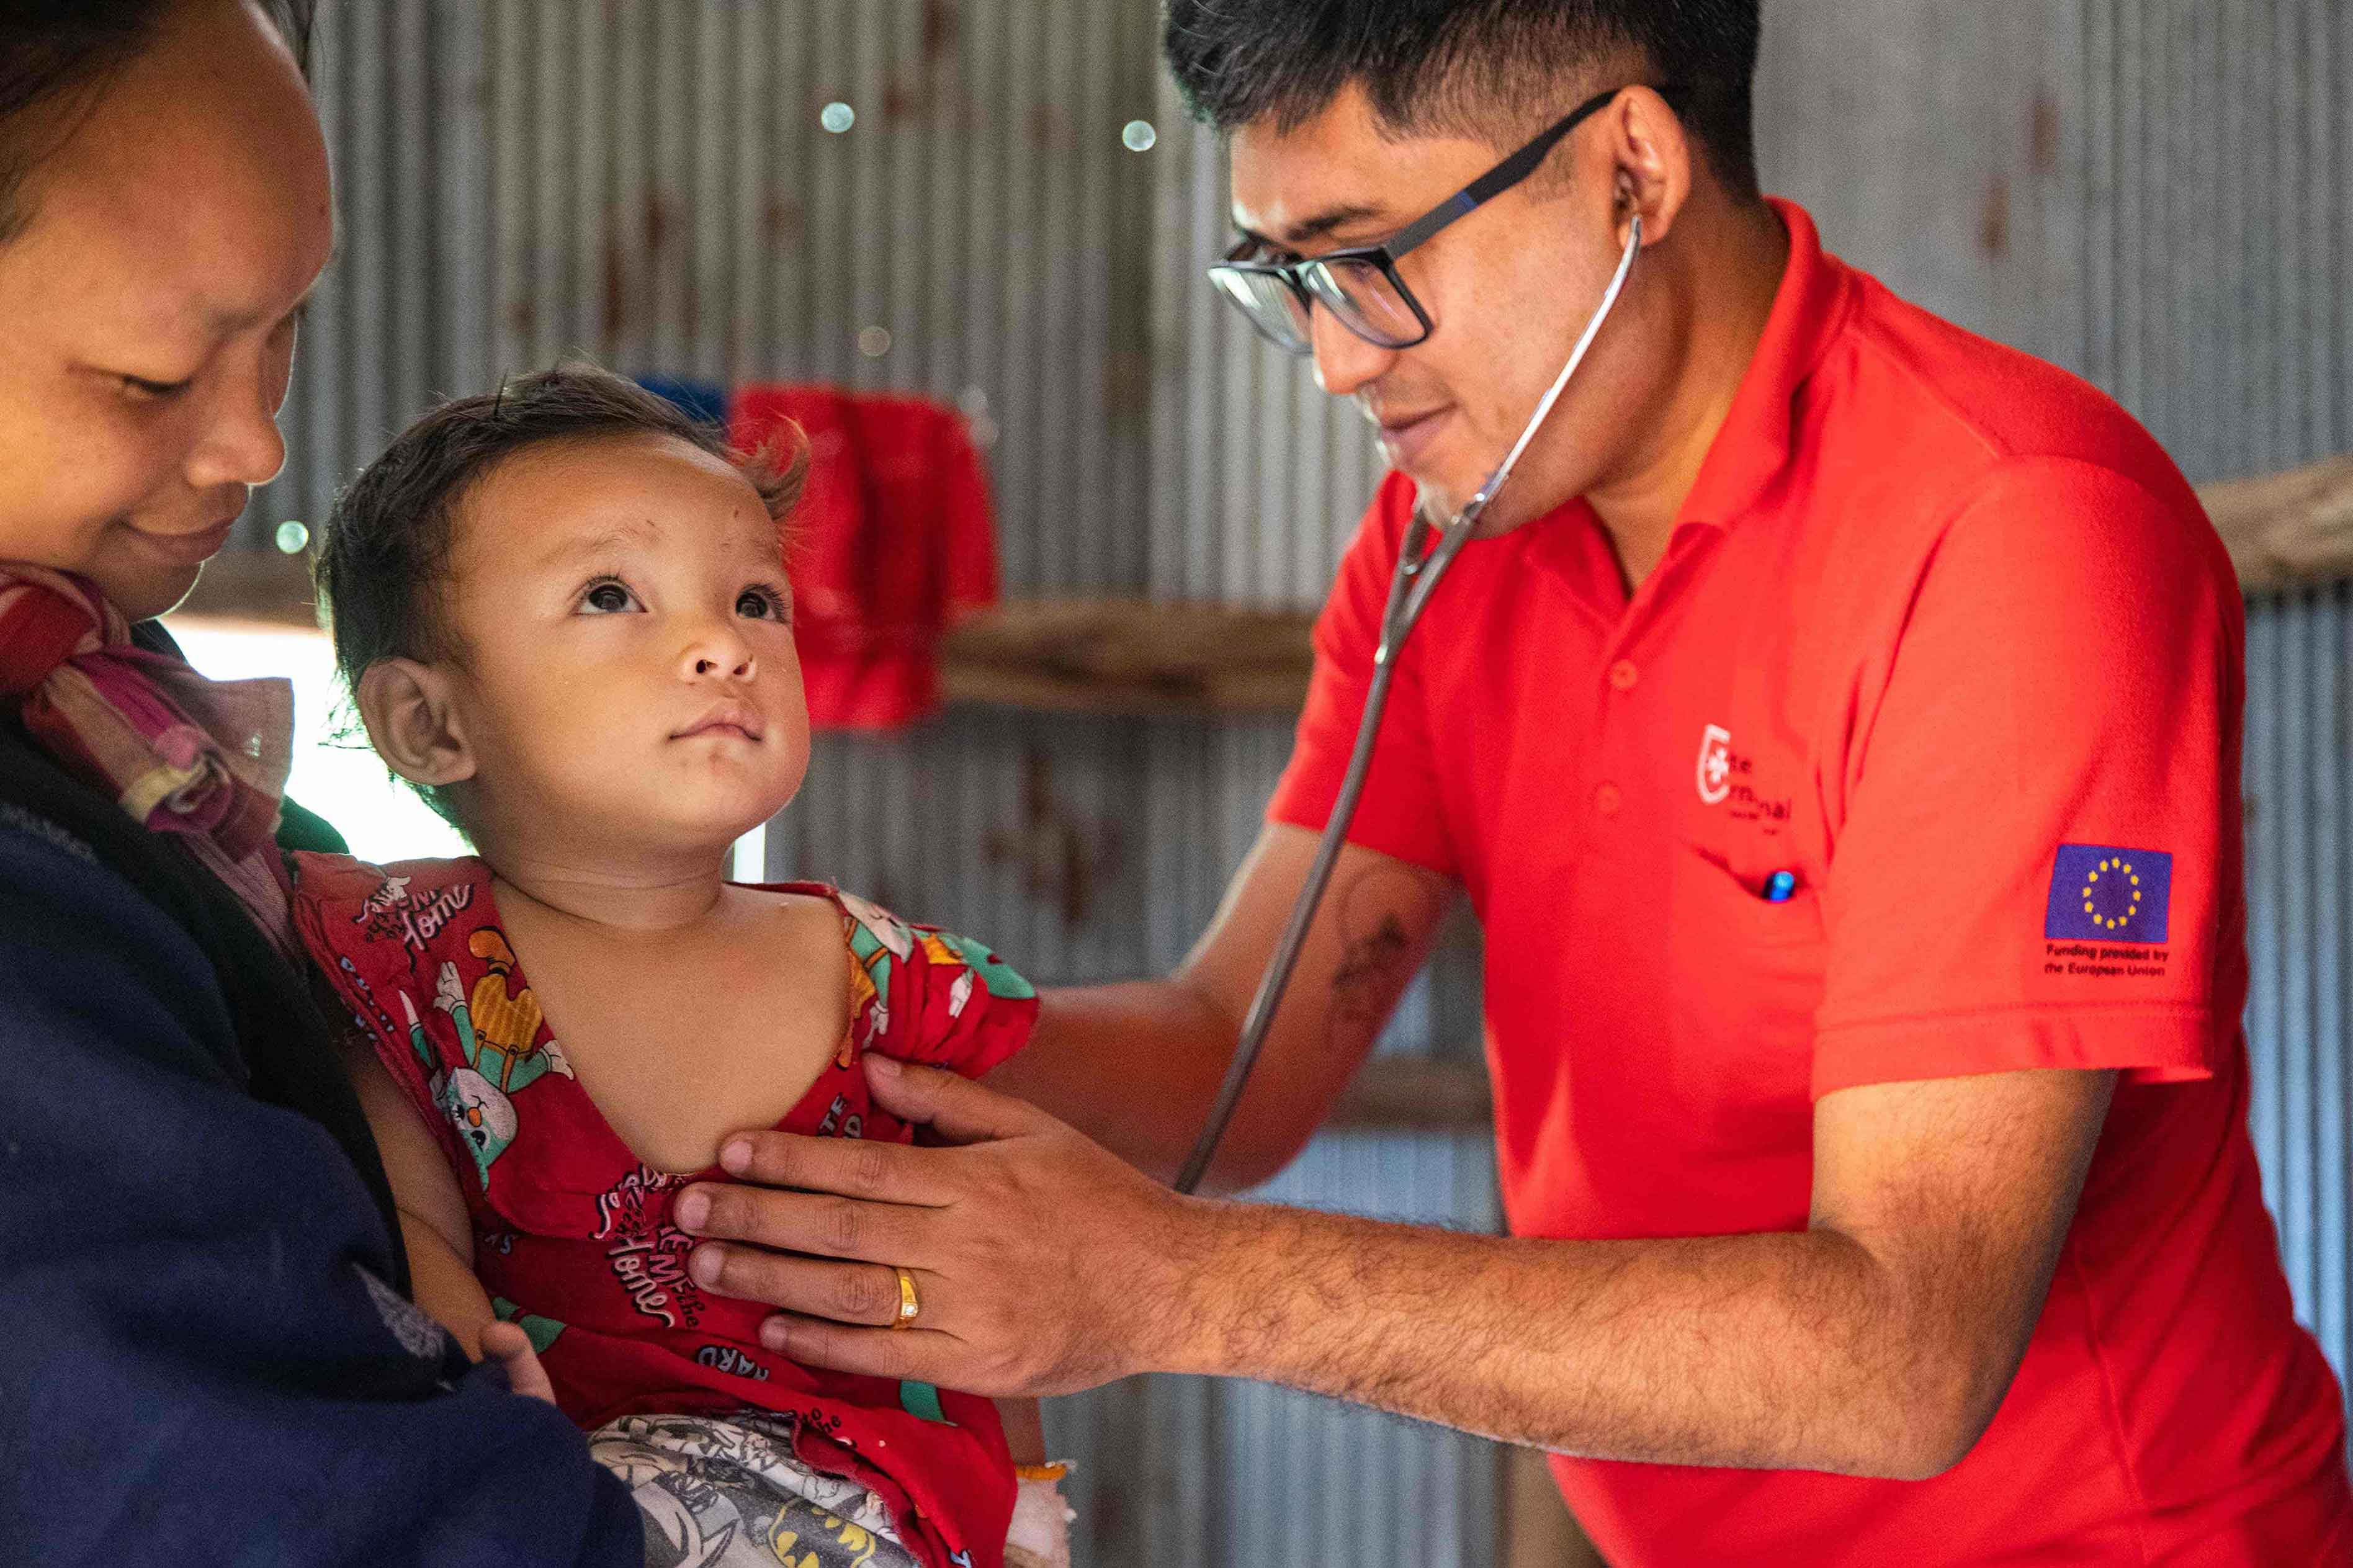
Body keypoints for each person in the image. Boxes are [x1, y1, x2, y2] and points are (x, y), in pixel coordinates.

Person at [666, 3, 2353, 1562]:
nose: (1334, 362)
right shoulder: (1448, 539)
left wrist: (1171, 1291)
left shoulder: (2011, 539)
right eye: (1286, 279)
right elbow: (1230, 1058)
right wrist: (842, 1011)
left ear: (1632, 169)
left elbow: (1904, 1355)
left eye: (1368, 261)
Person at [1, 3, 624, 1560]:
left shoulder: (131, 755)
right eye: (151, 380)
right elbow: (249, 1496)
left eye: (283, 326)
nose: (258, 441)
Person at [295, 365, 1071, 1568]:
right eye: (614, 594)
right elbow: (407, 1243)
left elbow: (993, 1279)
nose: (723, 644)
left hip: (888, 1518)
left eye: (757, 601)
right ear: (433, 723)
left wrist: (1024, 1508)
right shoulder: (410, 973)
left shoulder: (889, 980)